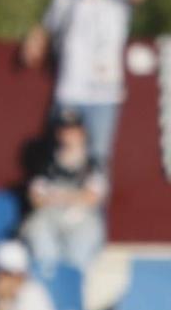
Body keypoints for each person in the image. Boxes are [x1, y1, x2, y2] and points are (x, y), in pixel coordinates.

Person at [22, 0, 147, 171]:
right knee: (60, 152)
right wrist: (34, 42)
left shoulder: (116, 2)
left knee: (97, 156)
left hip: (104, 95)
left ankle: (93, 204)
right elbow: (45, 28)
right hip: (69, 90)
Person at [21, 109, 109, 274]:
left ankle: (72, 284)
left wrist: (57, 196)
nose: (69, 135)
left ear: (82, 133)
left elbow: (92, 198)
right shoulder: (46, 163)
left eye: (73, 130)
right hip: (50, 216)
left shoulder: (93, 164)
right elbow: (36, 199)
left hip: (81, 219)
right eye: (64, 130)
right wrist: (74, 196)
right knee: (37, 231)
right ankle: (48, 280)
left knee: (81, 250)